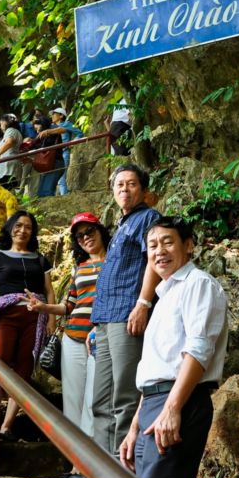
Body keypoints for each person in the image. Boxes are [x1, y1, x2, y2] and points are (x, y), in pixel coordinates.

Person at [119, 217, 228, 478]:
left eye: (168, 242)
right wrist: (134, 427)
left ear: (188, 245)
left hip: (180, 401)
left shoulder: (199, 284)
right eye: (152, 245)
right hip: (154, 404)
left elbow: (198, 351)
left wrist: (172, 408)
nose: (159, 251)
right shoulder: (165, 294)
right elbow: (157, 367)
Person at [24, 212, 110, 478]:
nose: (85, 238)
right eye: (80, 235)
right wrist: (43, 308)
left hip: (101, 339)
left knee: (95, 400)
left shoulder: (115, 263)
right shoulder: (80, 268)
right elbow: (68, 306)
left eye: (89, 231)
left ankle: (93, 464)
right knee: (72, 402)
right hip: (73, 336)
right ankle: (76, 465)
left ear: (100, 230)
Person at [90, 163, 162, 455]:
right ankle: (101, 465)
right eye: (119, 185)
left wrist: (143, 304)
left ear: (144, 191)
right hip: (106, 318)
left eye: (131, 184)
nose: (124, 189)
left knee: (125, 395)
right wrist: (96, 323)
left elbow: (154, 262)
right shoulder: (122, 224)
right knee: (101, 399)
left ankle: (123, 466)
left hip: (127, 314)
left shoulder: (149, 218)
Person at [0, 211, 57, 440]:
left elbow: (49, 291)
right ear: (10, 228)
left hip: (35, 317)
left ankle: (6, 426)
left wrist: (51, 318)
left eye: (28, 227)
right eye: (19, 225)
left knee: (24, 369)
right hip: (7, 316)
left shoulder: (40, 259)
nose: (23, 230)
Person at [37, 107, 84, 195]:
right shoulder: (51, 126)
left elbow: (80, 133)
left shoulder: (66, 124)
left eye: (54, 114)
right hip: (53, 155)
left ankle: (64, 197)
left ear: (61, 116)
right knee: (53, 178)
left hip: (64, 152)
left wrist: (72, 142)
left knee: (62, 178)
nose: (52, 116)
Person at [30, 114, 66, 198]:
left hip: (56, 164)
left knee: (47, 192)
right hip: (49, 165)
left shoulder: (51, 127)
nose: (37, 132)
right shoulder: (41, 137)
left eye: (37, 128)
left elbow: (63, 129)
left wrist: (47, 131)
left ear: (42, 125)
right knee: (41, 193)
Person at [0, 114, 23, 191]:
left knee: (2, 191)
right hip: (11, 165)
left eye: (1, 123)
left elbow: (9, 143)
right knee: (8, 191)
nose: (0, 126)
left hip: (8, 167)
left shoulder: (10, 131)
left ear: (6, 122)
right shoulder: (16, 132)